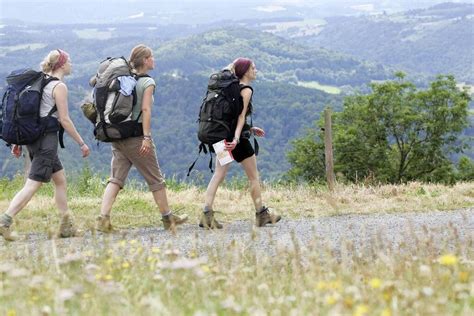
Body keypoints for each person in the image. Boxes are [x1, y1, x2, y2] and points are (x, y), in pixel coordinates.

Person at [0, 49, 90, 241]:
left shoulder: (39, 81)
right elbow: (64, 120)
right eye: (69, 61)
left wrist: (17, 141)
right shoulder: (58, 86)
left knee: (60, 180)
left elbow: (28, 114)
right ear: (62, 65)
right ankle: (4, 221)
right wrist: (81, 143)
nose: (71, 64)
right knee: (33, 184)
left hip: (33, 138)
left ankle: (66, 226)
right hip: (46, 141)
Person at [96, 44, 187, 232]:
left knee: (116, 179)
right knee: (156, 179)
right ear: (145, 60)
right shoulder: (147, 82)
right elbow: (145, 110)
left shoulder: (126, 79)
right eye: (151, 56)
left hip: (118, 134)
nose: (154, 59)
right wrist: (146, 137)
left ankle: (103, 219)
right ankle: (167, 218)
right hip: (136, 137)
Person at [200, 57, 281, 229]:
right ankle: (261, 214)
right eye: (253, 68)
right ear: (245, 71)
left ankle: (206, 214)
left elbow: (231, 116)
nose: (255, 70)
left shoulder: (230, 88)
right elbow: (240, 116)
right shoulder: (246, 89)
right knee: (253, 177)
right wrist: (237, 138)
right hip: (236, 141)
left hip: (221, 137)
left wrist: (250, 129)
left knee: (218, 175)